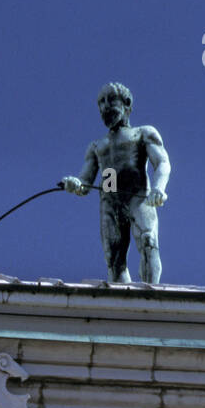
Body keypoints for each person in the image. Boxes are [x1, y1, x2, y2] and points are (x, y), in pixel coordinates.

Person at [62, 82, 170, 284]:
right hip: (110, 202)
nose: (105, 106)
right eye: (101, 103)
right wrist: (75, 184)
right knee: (114, 259)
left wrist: (159, 189)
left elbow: (162, 162)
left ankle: (151, 294)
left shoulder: (143, 133)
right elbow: (85, 183)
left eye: (111, 100)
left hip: (138, 197)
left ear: (126, 102)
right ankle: (124, 299)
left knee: (148, 240)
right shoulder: (98, 146)